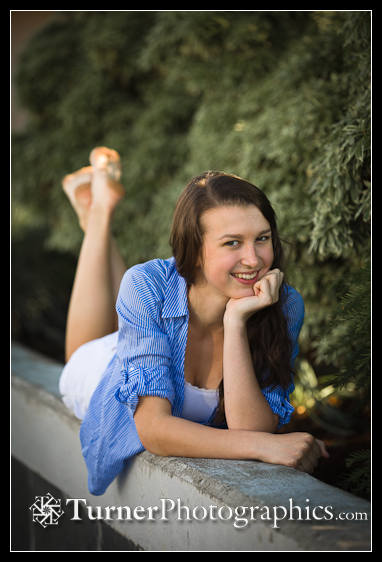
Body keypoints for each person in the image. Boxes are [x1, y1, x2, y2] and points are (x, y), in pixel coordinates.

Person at [59, 147, 329, 496]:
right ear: (195, 248)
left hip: (151, 332)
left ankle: (99, 213)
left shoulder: (284, 304)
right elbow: (153, 429)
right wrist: (264, 447)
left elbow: (250, 426)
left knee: (135, 298)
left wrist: (235, 322)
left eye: (262, 238)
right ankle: (99, 214)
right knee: (80, 352)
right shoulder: (147, 283)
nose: (254, 259)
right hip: (103, 372)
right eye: (233, 243)